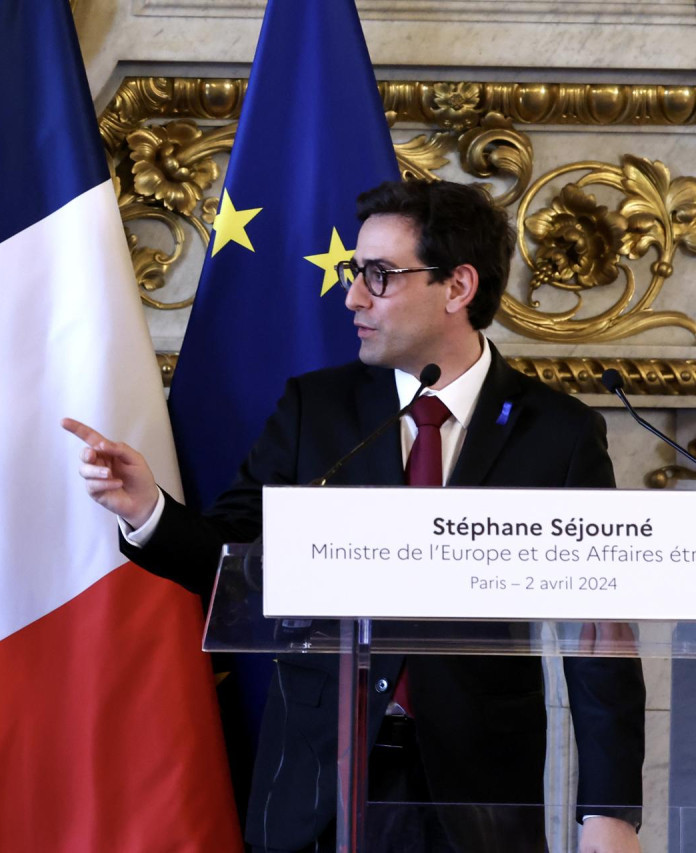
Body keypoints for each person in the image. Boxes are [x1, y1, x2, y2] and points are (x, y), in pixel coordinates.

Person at [64, 179, 644, 853]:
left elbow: (601, 636)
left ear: (457, 287)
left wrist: (608, 808)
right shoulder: (318, 409)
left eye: (379, 275)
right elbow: (229, 556)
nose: (353, 297)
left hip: (481, 792)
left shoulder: (557, 432)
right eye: (353, 273)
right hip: (320, 788)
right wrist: (150, 510)